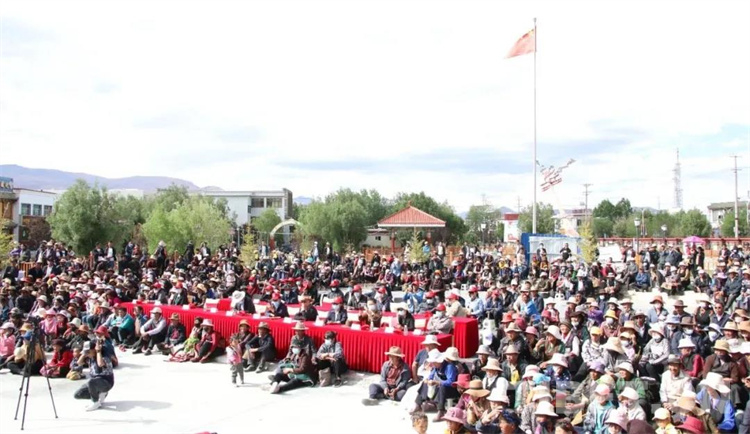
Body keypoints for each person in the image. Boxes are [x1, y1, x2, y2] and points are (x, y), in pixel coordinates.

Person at [73, 339, 114, 411]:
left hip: (106, 382)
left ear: (94, 350)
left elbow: (100, 364)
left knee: (91, 382)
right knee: (77, 394)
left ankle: (95, 402)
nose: (87, 354)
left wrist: (98, 351)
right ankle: (101, 394)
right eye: (86, 352)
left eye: (88, 352)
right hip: (95, 382)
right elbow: (79, 363)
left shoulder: (104, 356)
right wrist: (84, 353)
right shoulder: (89, 358)